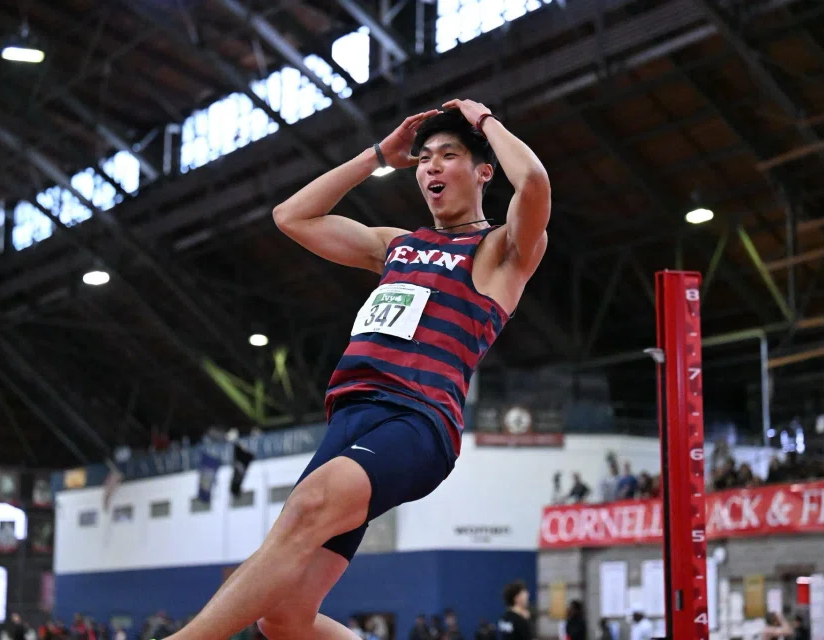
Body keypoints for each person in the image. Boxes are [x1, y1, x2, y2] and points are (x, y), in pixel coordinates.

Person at [164, 99, 551, 640]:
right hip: (349, 418)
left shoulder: (498, 253)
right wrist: (377, 155)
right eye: (425, 159)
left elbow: (533, 182)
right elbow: (291, 217)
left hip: (416, 422)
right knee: (283, 619)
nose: (431, 166)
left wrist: (486, 121)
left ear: (484, 171)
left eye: (448, 156)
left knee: (306, 508)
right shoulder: (397, 245)